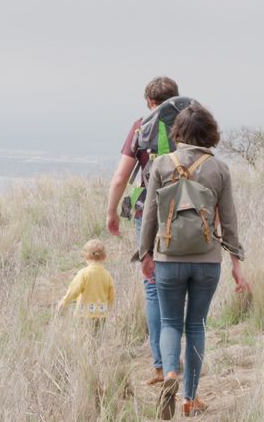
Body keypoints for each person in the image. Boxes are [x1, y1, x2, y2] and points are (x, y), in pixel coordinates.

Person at [137, 103, 250, 419]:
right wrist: (237, 264)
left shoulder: (161, 164)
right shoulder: (219, 169)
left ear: (178, 133)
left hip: (168, 258)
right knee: (196, 325)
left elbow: (149, 217)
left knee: (171, 322)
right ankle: (189, 399)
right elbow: (229, 221)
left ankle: (170, 372)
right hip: (207, 260)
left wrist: (146, 254)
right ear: (210, 132)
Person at [105, 75, 179, 385]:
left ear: (149, 102)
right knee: (179, 288)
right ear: (177, 98)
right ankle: (178, 366)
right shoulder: (190, 124)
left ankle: (161, 368)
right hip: (184, 212)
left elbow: (122, 176)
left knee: (152, 287)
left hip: (146, 211)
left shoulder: (140, 126)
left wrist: (111, 212)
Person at [56, 239, 116, 330]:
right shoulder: (107, 275)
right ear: (104, 257)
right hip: (101, 315)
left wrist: (64, 302)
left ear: (86, 257)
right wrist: (109, 309)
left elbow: (73, 290)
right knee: (97, 340)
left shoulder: (83, 274)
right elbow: (112, 295)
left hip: (83, 315)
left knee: (83, 340)